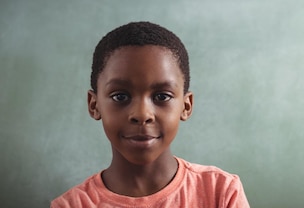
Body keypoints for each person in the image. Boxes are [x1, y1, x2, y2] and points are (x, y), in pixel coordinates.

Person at [51, 21, 250, 208]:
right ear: (94, 105)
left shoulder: (221, 192)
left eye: (162, 96)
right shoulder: (72, 205)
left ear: (186, 106)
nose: (142, 114)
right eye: (120, 96)